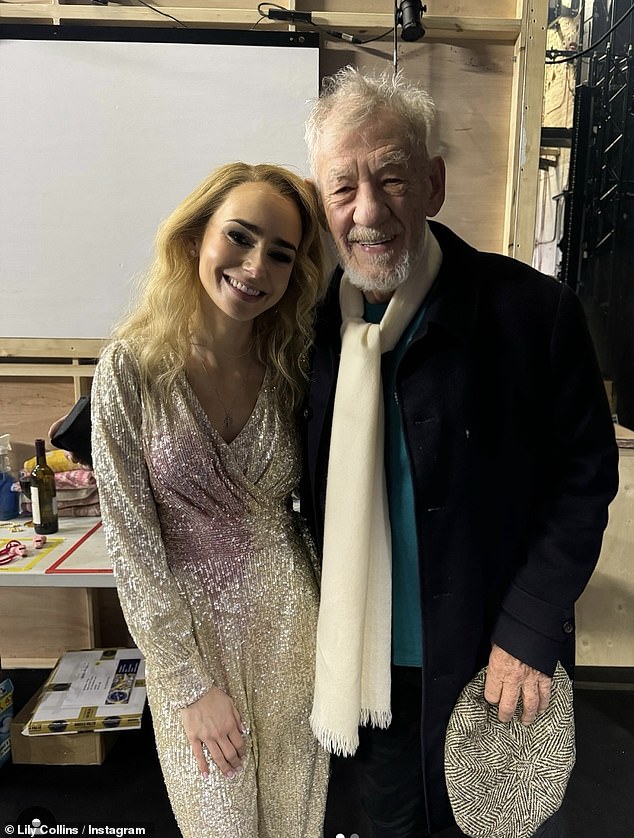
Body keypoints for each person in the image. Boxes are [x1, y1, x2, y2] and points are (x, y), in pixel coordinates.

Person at [300, 67, 619, 838]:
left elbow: (583, 482)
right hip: (368, 673)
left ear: (434, 184)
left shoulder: (533, 314)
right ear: (321, 205)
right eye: (343, 189)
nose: (368, 211)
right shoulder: (310, 333)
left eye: (394, 178)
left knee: (501, 827)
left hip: (495, 660)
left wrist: (529, 629)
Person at [89, 162, 330, 837]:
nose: (256, 268)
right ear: (197, 236)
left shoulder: (293, 367)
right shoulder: (130, 369)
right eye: (241, 237)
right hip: (190, 649)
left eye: (280, 255)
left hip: (294, 640)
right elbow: (132, 547)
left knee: (294, 825)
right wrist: (188, 686)